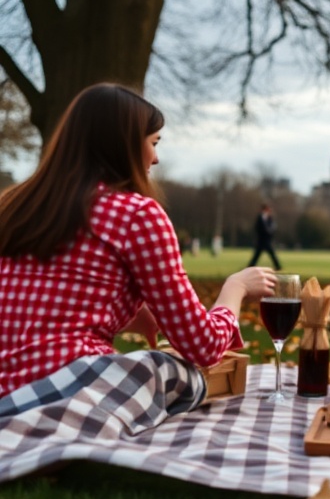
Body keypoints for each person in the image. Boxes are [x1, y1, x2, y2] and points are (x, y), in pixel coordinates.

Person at [0, 83, 277, 400]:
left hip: (8, 393)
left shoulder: (16, 205)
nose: (156, 158)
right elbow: (204, 347)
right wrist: (235, 289)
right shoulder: (136, 214)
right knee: (178, 373)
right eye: (154, 142)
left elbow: (45, 300)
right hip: (71, 392)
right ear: (124, 146)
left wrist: (129, 314)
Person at [248, 203, 281, 270]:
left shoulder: (270, 218)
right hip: (261, 240)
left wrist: (269, 232)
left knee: (272, 254)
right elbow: (257, 228)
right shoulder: (259, 218)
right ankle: (250, 266)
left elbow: (273, 227)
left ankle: (278, 266)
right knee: (257, 255)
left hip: (267, 240)